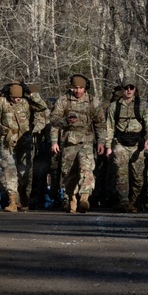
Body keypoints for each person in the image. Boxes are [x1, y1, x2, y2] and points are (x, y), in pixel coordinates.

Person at [50, 74, 106, 213]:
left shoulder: (93, 101)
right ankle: (72, 198)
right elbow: (54, 122)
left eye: (81, 88)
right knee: (68, 173)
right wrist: (54, 141)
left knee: (86, 169)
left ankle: (84, 197)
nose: (78, 91)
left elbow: (100, 124)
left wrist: (101, 142)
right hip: (68, 141)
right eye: (75, 87)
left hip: (86, 140)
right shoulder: (63, 101)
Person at [0, 81, 49, 211]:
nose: (16, 100)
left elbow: (42, 106)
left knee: (24, 172)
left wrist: (30, 93)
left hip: (25, 141)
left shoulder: (26, 102)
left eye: (18, 97)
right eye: (13, 97)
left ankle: (22, 196)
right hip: (7, 141)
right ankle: (12, 200)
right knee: (9, 170)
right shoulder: (2, 102)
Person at [103, 78, 148, 213]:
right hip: (120, 143)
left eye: (131, 88)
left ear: (135, 89)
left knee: (137, 176)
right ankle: (124, 201)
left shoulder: (142, 106)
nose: (128, 90)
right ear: (122, 89)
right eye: (126, 88)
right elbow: (109, 127)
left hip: (137, 144)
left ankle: (134, 201)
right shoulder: (114, 107)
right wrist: (108, 147)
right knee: (121, 174)